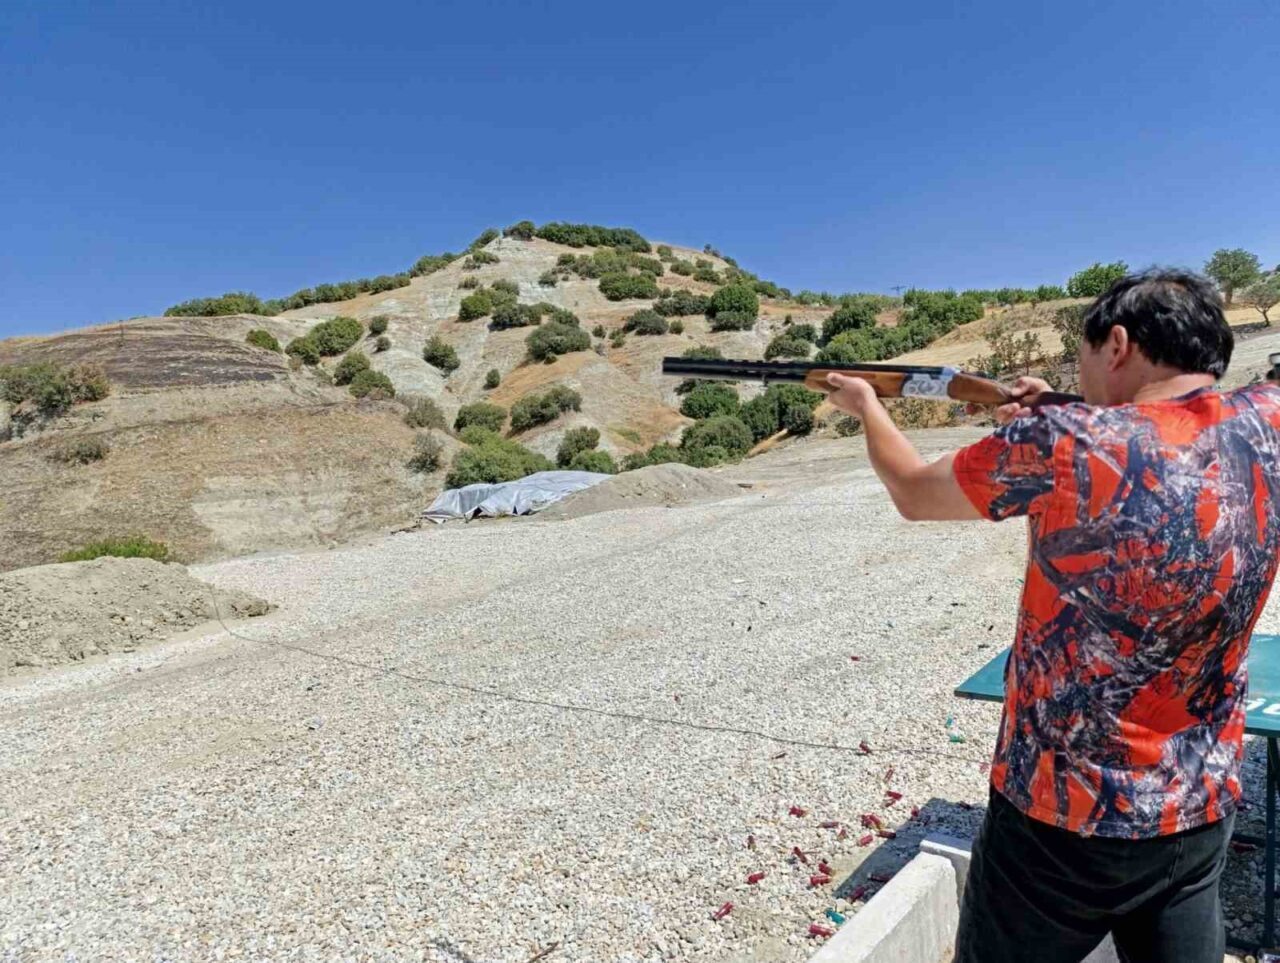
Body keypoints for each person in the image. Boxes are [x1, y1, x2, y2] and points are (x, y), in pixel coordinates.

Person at [825, 269, 1280, 963]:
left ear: (1119, 343)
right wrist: (1072, 405)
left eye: (1087, 356)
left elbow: (915, 492)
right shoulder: (1268, 423)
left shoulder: (1060, 440)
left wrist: (866, 405)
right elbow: (1174, 425)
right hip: (1197, 803)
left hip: (1058, 815)